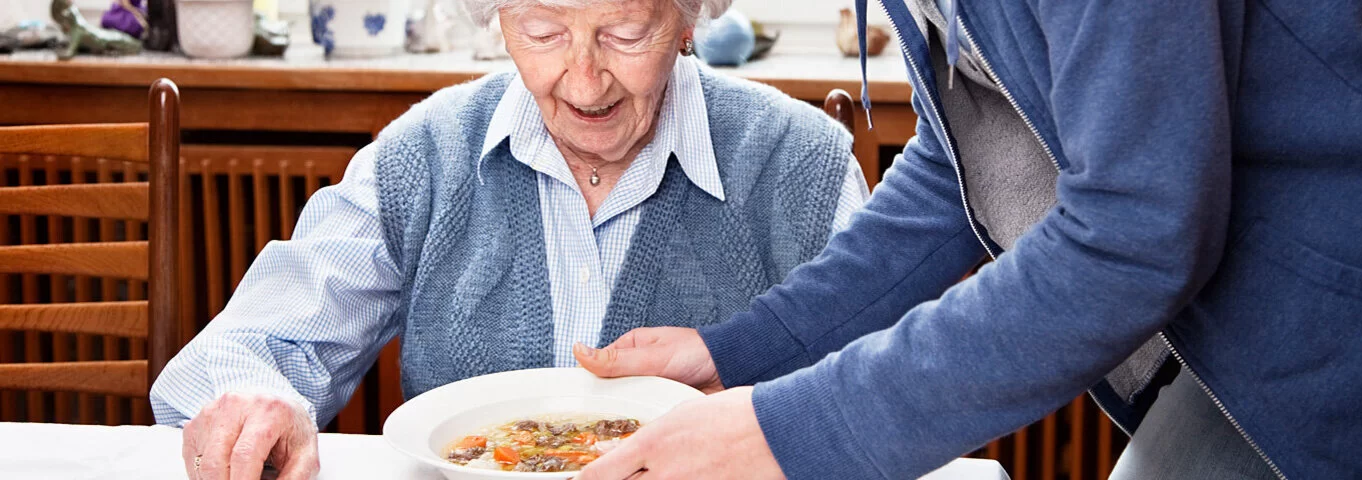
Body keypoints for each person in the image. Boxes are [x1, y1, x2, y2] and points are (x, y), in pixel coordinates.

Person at [572, 0, 1362, 479]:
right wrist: (740, 353)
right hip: (1256, 340)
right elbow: (961, 166)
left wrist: (787, 431)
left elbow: (1135, 234)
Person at [149, 0, 873, 477]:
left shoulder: (801, 166)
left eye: (625, 34)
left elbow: (886, 395)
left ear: (688, 20)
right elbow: (250, 348)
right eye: (543, 31)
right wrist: (253, 399)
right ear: (497, 18)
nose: (586, 82)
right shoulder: (425, 154)